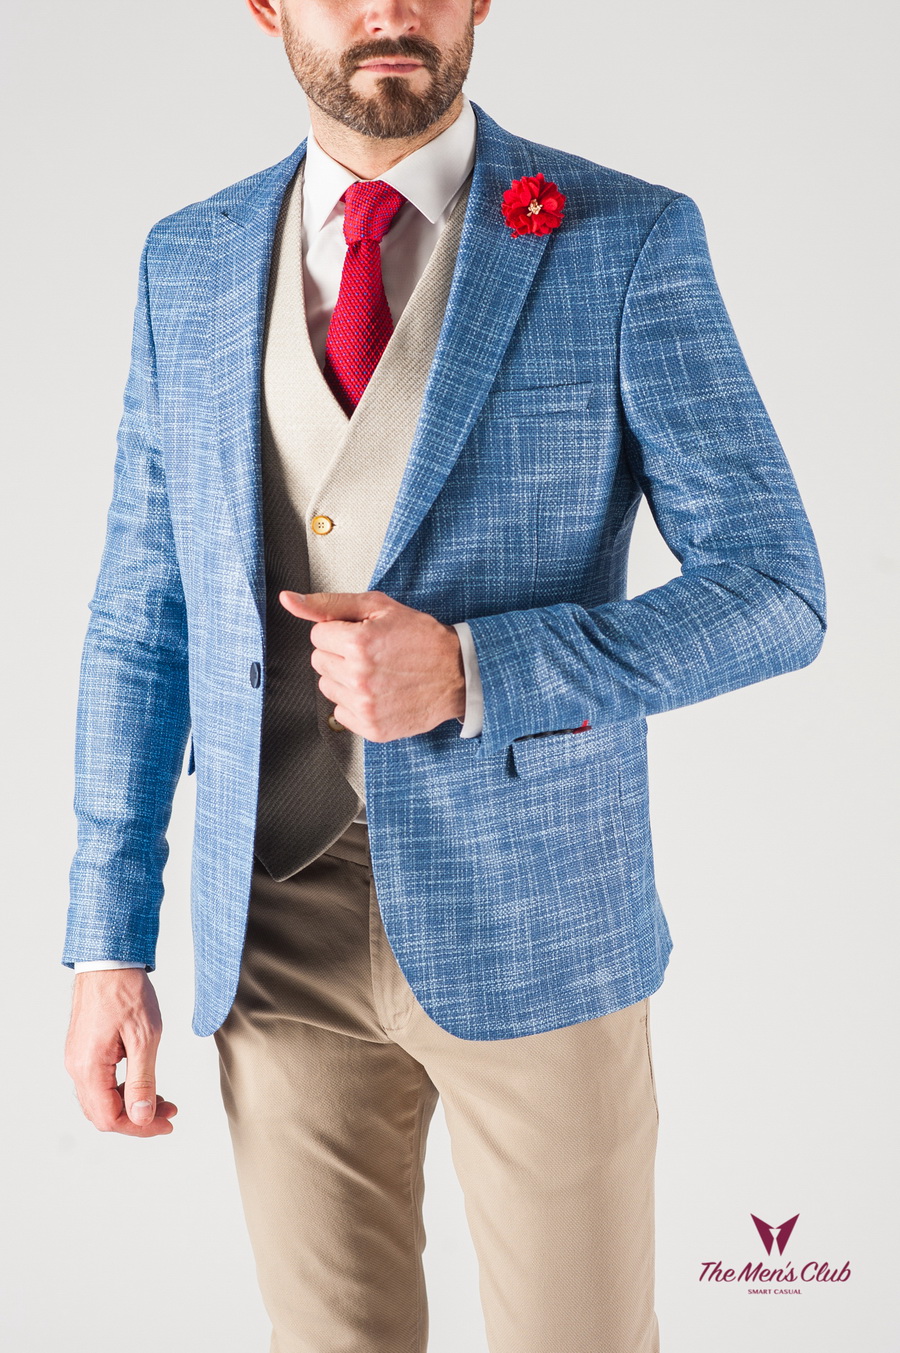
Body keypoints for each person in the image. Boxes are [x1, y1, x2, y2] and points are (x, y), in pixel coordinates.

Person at [61, 1, 826, 1349]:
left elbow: (775, 589)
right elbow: (142, 618)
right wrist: (108, 937)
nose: (390, 12)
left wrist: (480, 668)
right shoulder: (189, 259)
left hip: (539, 925)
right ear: (266, 8)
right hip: (273, 931)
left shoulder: (623, 237)